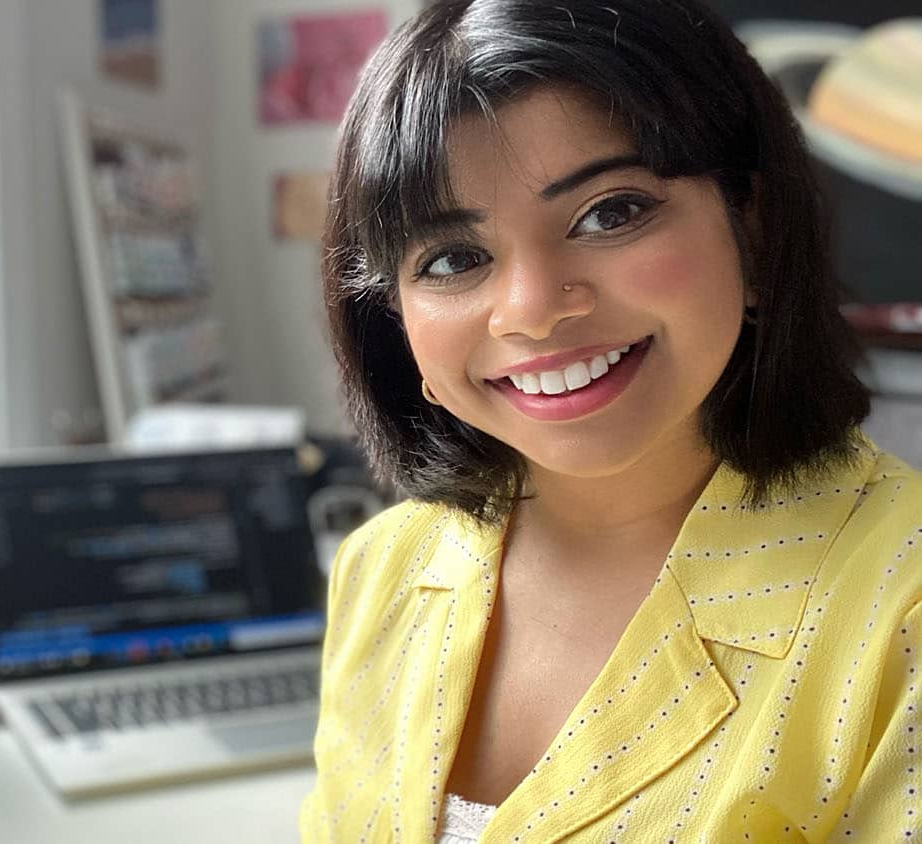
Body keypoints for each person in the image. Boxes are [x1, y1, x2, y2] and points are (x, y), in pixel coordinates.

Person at [301, 0, 922, 841]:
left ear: (754, 227)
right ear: (396, 323)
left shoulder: (903, 602)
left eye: (611, 212)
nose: (531, 311)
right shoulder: (380, 568)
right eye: (453, 259)